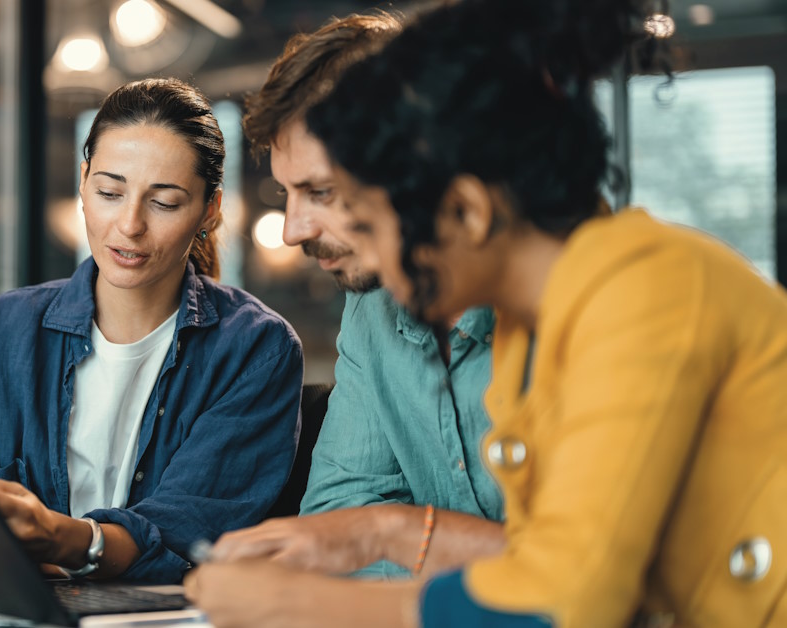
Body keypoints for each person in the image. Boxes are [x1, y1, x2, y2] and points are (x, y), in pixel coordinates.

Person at [186, 0, 787, 625]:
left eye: (374, 223)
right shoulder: (538, 328)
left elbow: (558, 605)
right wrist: (366, 535)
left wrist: (298, 603)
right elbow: (533, 559)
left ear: (468, 212)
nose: (381, 272)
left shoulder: (648, 291)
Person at [0, 78, 304, 585]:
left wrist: (63, 539)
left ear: (209, 210)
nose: (129, 225)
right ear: (83, 183)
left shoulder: (255, 348)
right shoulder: (4, 330)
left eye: (166, 203)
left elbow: (188, 534)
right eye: (110, 191)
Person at [210, 13, 504, 580]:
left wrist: (388, 534)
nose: (292, 230)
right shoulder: (373, 309)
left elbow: (576, 577)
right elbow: (333, 522)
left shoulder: (576, 306)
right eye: (286, 192)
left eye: (321, 191)